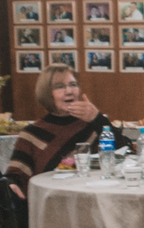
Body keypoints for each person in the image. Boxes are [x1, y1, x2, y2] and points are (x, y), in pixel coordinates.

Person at [3, 64, 128, 199]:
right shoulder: (32, 133)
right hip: (50, 202)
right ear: (46, 92)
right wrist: (11, 184)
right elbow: (15, 175)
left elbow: (123, 154)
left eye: (73, 85)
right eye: (60, 86)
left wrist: (98, 119)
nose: (69, 91)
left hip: (93, 199)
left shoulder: (92, 126)